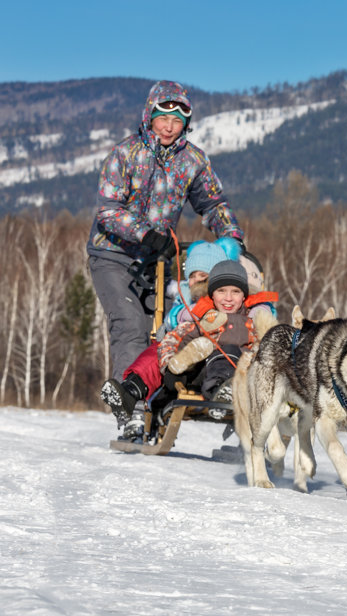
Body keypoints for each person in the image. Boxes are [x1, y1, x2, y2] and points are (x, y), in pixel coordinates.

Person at [87, 79, 244, 389]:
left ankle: (161, 399)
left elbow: (213, 203)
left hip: (157, 259)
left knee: (170, 326)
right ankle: (129, 403)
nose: (169, 127)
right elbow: (107, 211)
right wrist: (144, 234)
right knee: (131, 324)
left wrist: (232, 238)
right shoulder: (125, 154)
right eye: (163, 119)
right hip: (113, 256)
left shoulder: (193, 161)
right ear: (149, 117)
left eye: (177, 121)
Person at [99, 241, 225, 437]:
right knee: (155, 353)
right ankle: (131, 391)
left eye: (203, 276)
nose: (197, 280)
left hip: (208, 361)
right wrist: (175, 321)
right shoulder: (184, 299)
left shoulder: (224, 299)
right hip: (176, 354)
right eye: (192, 276)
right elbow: (171, 320)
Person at [157, 260, 267, 420]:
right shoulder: (203, 317)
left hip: (242, 377)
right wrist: (168, 366)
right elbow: (171, 339)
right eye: (221, 291)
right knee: (208, 346)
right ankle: (216, 389)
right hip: (202, 375)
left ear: (244, 296)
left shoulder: (251, 323)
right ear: (212, 295)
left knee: (240, 352)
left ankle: (228, 389)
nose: (228, 298)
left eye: (235, 292)